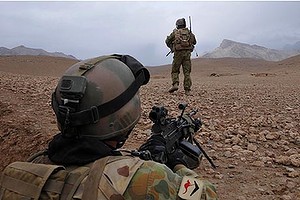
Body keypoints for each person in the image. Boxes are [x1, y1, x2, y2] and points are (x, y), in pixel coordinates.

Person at [1, 54, 217, 199]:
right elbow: (208, 194)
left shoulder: (27, 168)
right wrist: (177, 164)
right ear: (125, 114)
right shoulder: (148, 178)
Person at [166, 18, 197, 96]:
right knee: (187, 72)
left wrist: (171, 47)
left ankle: (175, 84)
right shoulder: (189, 33)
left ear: (177, 25)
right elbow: (195, 42)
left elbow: (167, 41)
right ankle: (187, 90)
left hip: (178, 54)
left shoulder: (175, 33)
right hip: (187, 54)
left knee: (175, 70)